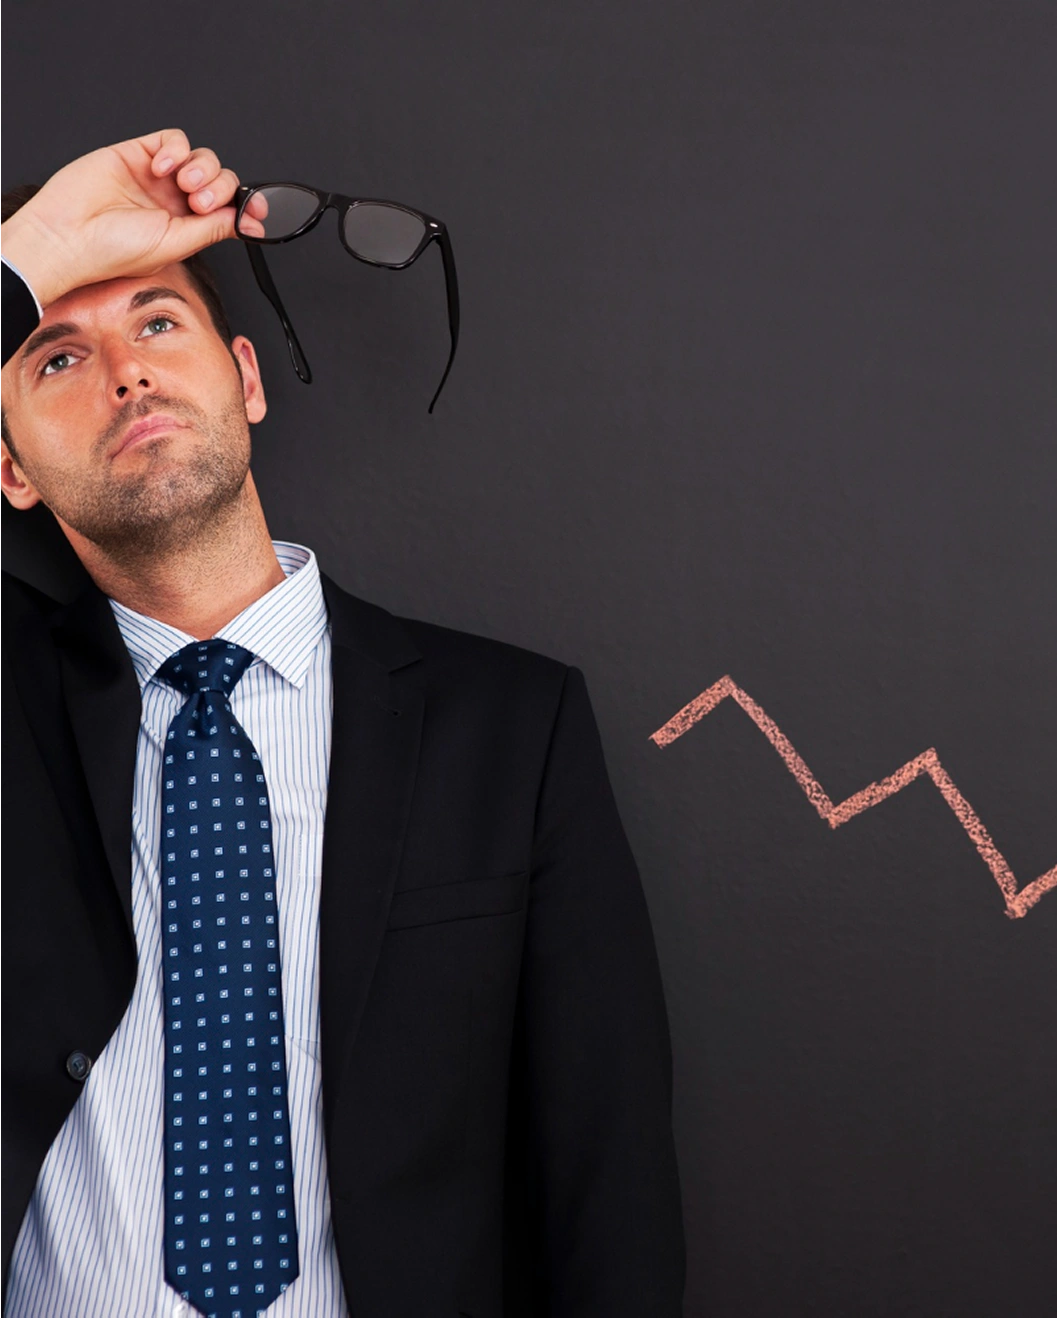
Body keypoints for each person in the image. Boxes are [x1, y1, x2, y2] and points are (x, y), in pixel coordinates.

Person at [0, 129, 685, 1318]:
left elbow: (606, 1178)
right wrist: (34, 251)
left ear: (247, 379)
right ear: (8, 468)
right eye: (57, 356)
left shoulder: (509, 730)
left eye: (159, 322)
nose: (126, 374)